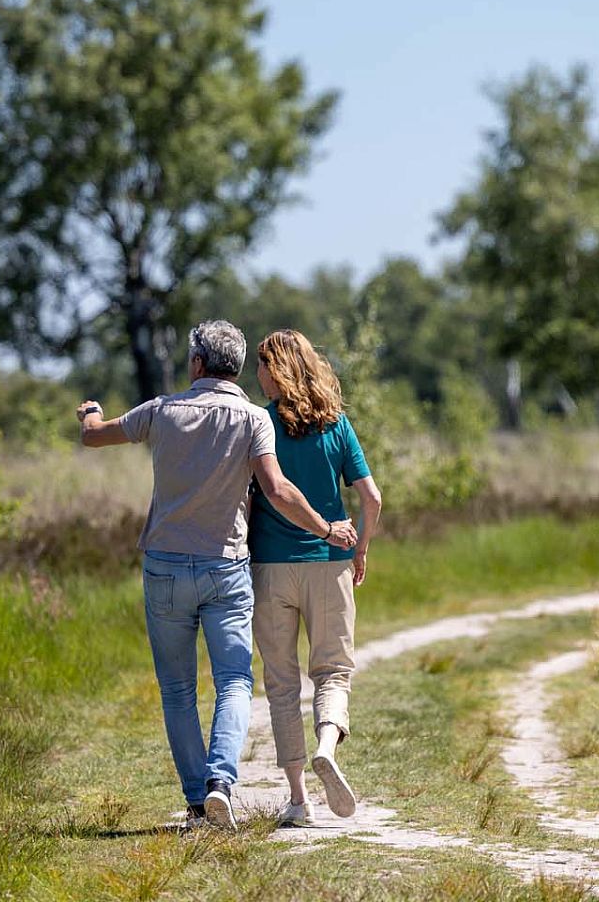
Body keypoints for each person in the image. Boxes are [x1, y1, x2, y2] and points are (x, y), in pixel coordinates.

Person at [77, 319, 357, 832]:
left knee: (178, 689)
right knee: (233, 681)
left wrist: (90, 413)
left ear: (197, 364)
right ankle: (220, 785)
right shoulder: (254, 419)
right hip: (226, 568)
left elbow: (95, 437)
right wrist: (325, 528)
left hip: (164, 566)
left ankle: (196, 803)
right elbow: (276, 489)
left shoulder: (161, 411)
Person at [248, 328, 384, 827]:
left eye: (262, 365)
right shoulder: (337, 425)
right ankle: (328, 744)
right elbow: (372, 499)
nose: (257, 374)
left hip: (269, 568)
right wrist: (361, 548)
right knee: (332, 671)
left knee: (281, 684)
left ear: (277, 369)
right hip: (330, 562)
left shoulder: (259, 425)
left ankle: (299, 799)